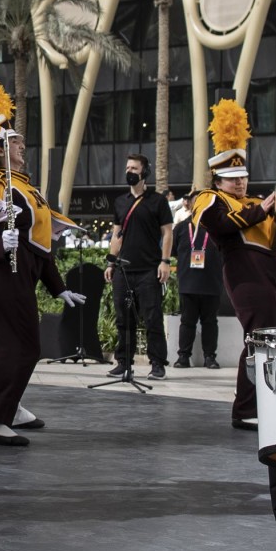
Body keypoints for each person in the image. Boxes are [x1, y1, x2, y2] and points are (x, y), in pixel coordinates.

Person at [0, 128, 85, 447]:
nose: (22, 145)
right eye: (13, 142)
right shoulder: (0, 185)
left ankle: (10, 406)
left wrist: (58, 288)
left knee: (28, 346)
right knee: (13, 347)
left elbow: (41, 246)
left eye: (22, 140)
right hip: (4, 275)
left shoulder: (26, 187)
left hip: (23, 273)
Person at [188, 105, 276, 430]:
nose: (240, 183)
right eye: (232, 179)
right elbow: (221, 225)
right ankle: (245, 409)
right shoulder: (209, 198)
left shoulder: (253, 203)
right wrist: (262, 209)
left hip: (273, 269)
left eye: (243, 177)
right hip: (245, 273)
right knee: (259, 339)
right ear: (217, 179)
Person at [107, 153, 173, 381]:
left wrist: (165, 262)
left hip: (149, 269)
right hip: (123, 270)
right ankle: (124, 363)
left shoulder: (158, 201)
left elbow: (167, 233)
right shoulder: (120, 201)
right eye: (127, 167)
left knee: (152, 318)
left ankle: (157, 364)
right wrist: (110, 261)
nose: (129, 172)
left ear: (145, 172)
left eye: (134, 168)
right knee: (123, 318)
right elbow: (117, 234)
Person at [171, 204, 223, 369]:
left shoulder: (219, 227)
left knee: (210, 322)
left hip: (212, 282)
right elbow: (172, 251)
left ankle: (210, 357)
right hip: (188, 282)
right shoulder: (180, 228)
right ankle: (183, 357)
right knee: (187, 321)